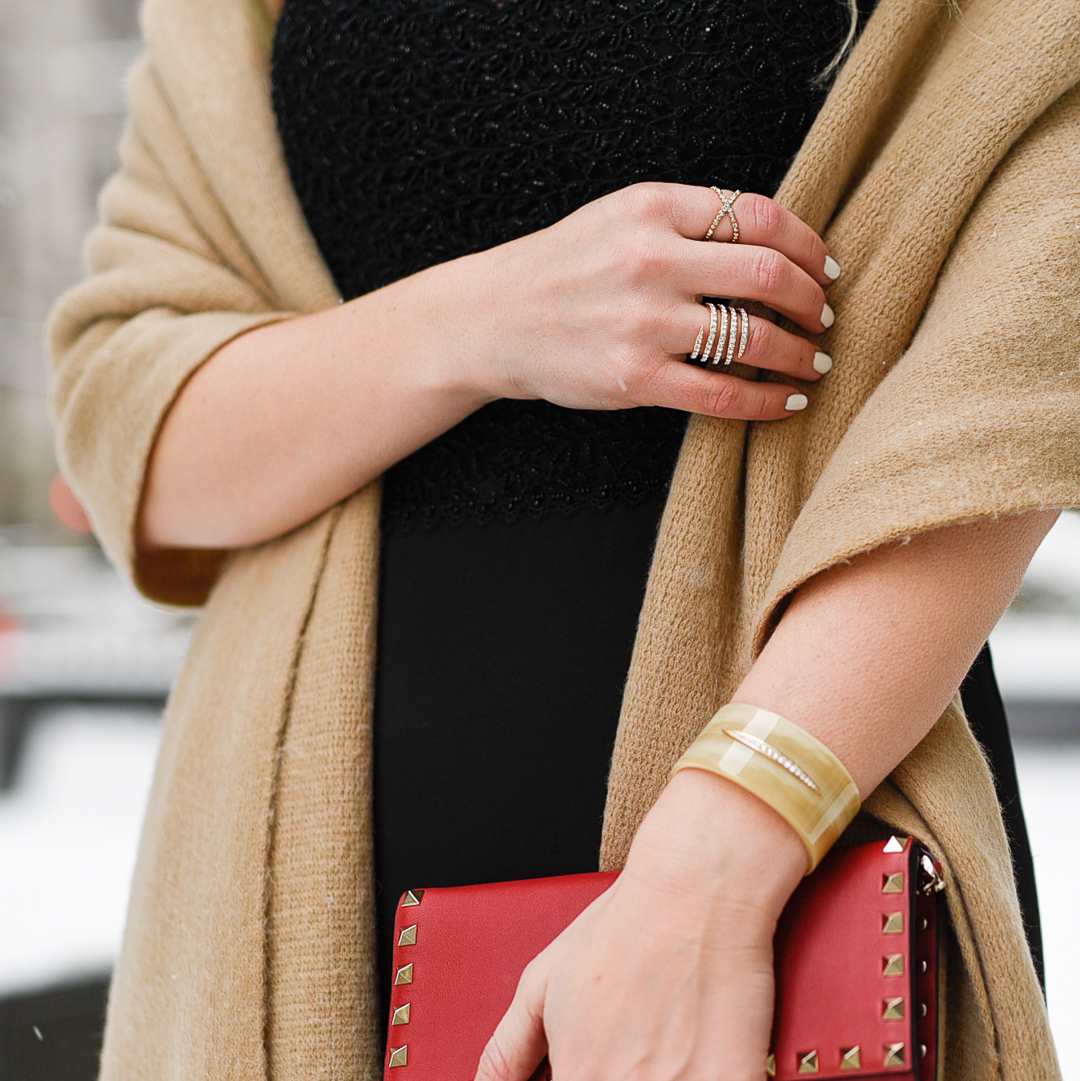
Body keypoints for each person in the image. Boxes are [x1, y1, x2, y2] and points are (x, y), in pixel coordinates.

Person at [47, 0, 1077, 1077]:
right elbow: (131, 426)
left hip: (789, 875)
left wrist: (717, 864)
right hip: (287, 899)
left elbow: (1015, 364)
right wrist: (491, 320)